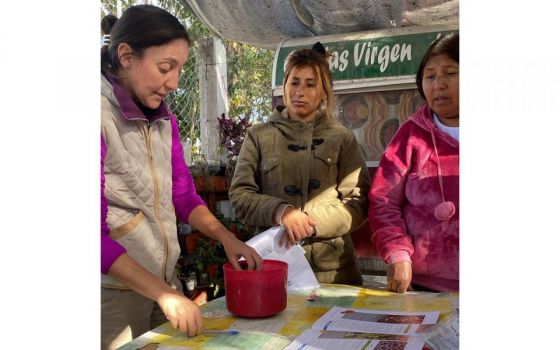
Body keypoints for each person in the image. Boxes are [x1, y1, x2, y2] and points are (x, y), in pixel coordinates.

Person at [100, 5, 262, 350]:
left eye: (179, 69)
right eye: (165, 68)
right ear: (126, 56)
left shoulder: (163, 119)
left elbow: (184, 194)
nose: (173, 83)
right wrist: (164, 294)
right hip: (111, 294)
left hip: (161, 282)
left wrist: (225, 238)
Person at [228, 42, 370, 286]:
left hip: (335, 272)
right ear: (284, 86)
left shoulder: (342, 138)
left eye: (310, 84)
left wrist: (309, 222)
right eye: (294, 82)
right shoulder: (259, 135)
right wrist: (282, 213)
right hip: (274, 267)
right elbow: (240, 196)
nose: (299, 92)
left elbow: (358, 204)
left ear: (324, 92)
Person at [368, 32, 459, 293]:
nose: (438, 84)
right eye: (430, 76)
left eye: (450, 73)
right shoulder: (410, 136)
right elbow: (383, 201)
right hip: (422, 286)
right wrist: (397, 253)